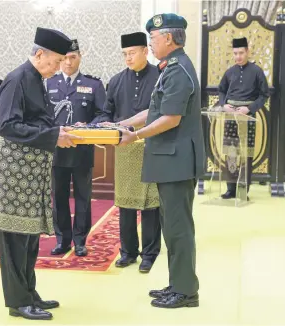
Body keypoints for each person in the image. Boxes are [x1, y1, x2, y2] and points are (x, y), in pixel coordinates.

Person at [116, 14, 205, 308]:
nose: (151, 44)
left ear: (168, 38)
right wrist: (124, 123)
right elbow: (155, 110)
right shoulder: (170, 68)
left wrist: (135, 135)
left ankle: (186, 292)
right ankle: (177, 284)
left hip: (176, 163)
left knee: (178, 229)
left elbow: (170, 118)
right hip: (170, 162)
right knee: (173, 228)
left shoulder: (178, 70)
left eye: (153, 39)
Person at [0, 27, 80, 320]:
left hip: (32, 169)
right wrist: (54, 135)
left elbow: (37, 122)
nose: (58, 69)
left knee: (29, 235)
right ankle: (18, 301)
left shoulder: (37, 79)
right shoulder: (17, 80)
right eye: (56, 62)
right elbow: (6, 126)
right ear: (39, 54)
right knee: (16, 235)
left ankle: (29, 293)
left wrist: (58, 132)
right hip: (16, 170)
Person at [94, 32, 161, 272]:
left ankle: (150, 254)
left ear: (145, 51)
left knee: (151, 204)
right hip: (125, 149)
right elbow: (106, 112)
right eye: (124, 54)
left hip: (153, 146)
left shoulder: (161, 77)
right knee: (126, 203)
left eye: (132, 53)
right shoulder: (116, 81)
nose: (128, 58)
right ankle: (128, 252)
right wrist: (103, 123)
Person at [46, 39, 106, 257]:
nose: (68, 63)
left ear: (80, 56)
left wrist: (88, 126)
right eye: (65, 58)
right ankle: (62, 240)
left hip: (82, 150)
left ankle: (80, 240)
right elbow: (42, 115)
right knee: (58, 197)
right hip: (56, 151)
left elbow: (103, 114)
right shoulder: (49, 84)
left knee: (83, 197)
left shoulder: (93, 85)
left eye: (73, 57)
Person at [218, 37, 269, 199]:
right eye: (235, 53)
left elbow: (264, 95)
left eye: (241, 53)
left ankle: (243, 190)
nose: (238, 56)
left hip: (247, 117)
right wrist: (223, 104)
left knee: (246, 153)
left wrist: (249, 108)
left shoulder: (257, 71)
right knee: (231, 151)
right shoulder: (230, 72)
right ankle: (230, 188)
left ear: (247, 51)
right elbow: (221, 91)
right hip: (231, 115)